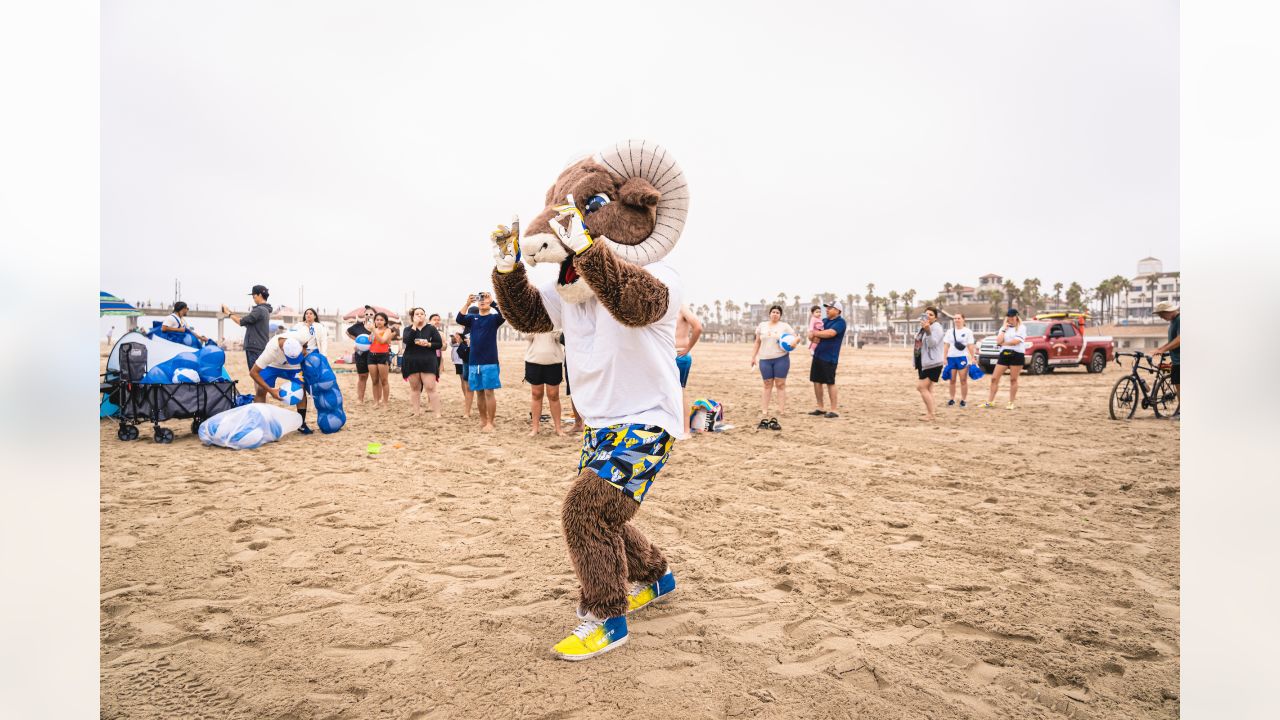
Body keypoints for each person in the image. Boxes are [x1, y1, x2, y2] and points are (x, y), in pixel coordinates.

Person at [455, 292, 505, 431]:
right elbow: (459, 318)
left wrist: (493, 302)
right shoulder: (473, 318)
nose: (482, 301)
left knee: (489, 392)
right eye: (480, 299)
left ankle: (491, 422)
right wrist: (467, 303)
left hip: (489, 361)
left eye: (485, 299)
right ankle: (483, 420)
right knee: (479, 392)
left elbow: (504, 315)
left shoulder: (494, 318)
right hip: (474, 361)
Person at [249, 329, 314, 434]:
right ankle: (259, 424)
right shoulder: (270, 351)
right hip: (273, 365)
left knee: (301, 389)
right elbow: (253, 373)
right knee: (261, 390)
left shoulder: (300, 336)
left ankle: (301, 423)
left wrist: (304, 350)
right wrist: (271, 391)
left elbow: (307, 342)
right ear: (283, 350)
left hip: (294, 367)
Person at [750, 304, 796, 430]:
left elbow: (795, 339)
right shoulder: (762, 326)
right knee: (767, 384)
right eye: (773, 312)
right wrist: (753, 357)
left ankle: (781, 410)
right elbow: (757, 342)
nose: (775, 314)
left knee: (780, 384)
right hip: (765, 359)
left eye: (777, 312)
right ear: (769, 314)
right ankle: (764, 410)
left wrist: (793, 344)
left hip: (781, 358)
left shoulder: (785, 326)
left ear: (780, 315)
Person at [981, 308, 1027, 409]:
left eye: (1012, 316)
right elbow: (998, 341)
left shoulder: (1021, 328)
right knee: (994, 378)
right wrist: (1003, 329)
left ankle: (1011, 402)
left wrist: (1004, 343)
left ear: (1016, 316)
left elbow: (1016, 341)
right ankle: (990, 401)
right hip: (1004, 354)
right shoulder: (1004, 327)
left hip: (1017, 355)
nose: (1010, 318)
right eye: (1008, 316)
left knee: (1013, 379)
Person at [808, 300, 847, 418]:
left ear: (837, 310)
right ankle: (820, 408)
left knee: (830, 382)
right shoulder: (823, 321)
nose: (827, 310)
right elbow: (812, 336)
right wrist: (811, 335)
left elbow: (830, 333)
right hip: (818, 354)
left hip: (830, 357)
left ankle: (834, 410)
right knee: (816, 381)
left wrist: (815, 333)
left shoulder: (841, 322)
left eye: (830, 308)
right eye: (827, 308)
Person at [401, 307, 443, 417]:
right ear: (413, 317)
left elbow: (439, 344)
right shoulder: (408, 329)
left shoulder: (431, 329)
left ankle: (437, 413)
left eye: (422, 314)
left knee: (430, 387)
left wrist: (428, 344)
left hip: (428, 360)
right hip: (411, 361)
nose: (419, 316)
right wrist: (414, 326)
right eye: (417, 314)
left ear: (425, 316)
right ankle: (416, 412)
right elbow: (407, 341)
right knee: (415, 388)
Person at [525, 330, 566, 436]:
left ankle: (558, 428)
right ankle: (535, 428)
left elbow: (560, 337)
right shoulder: (532, 317)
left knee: (554, 395)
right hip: (534, 360)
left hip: (554, 361)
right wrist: (537, 324)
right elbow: (527, 336)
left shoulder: (556, 317)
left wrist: (549, 326)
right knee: (536, 394)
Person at [223, 285, 272, 370]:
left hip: (254, 347)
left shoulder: (259, 310)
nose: (253, 298)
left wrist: (228, 313)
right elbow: (246, 322)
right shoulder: (265, 310)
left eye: (254, 296)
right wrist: (230, 311)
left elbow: (241, 322)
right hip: (260, 346)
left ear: (260, 295)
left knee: (255, 374)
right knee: (259, 374)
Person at [914, 306, 946, 421]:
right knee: (928, 388)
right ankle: (930, 412)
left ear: (936, 318)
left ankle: (931, 415)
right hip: (924, 362)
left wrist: (928, 331)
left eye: (931, 314)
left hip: (933, 363)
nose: (928, 316)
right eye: (926, 314)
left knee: (921, 387)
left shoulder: (936, 328)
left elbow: (932, 344)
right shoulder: (923, 327)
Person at [674, 304, 702, 423]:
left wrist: (688, 348)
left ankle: (685, 429)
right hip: (666, 355)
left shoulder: (681, 308)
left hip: (680, 354)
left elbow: (698, 328)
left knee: (680, 391)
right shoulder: (663, 308)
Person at [943, 313, 978, 407]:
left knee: (963, 380)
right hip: (951, 358)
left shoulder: (968, 331)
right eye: (955, 318)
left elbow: (970, 345)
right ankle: (952, 399)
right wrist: (944, 357)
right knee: (952, 380)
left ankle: (963, 400)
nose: (956, 320)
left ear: (963, 319)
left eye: (958, 318)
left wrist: (973, 357)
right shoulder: (949, 331)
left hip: (962, 357)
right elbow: (946, 345)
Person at [1153, 300, 1180, 419]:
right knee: (1178, 387)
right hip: (1176, 360)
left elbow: (1179, 340)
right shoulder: (1173, 321)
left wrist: (1163, 349)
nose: (1161, 317)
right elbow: (1172, 342)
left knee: (1181, 388)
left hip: (1181, 361)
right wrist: (1162, 348)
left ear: (1168, 312)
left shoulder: (1179, 320)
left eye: (1161, 314)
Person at [346, 306, 375, 403]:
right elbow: (347, 332)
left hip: (374, 354)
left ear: (375, 315)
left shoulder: (378, 326)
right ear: (364, 315)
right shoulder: (358, 326)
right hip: (360, 353)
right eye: (367, 314)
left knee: (375, 378)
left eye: (371, 314)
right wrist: (357, 341)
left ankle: (377, 400)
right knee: (362, 376)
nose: (369, 316)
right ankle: (360, 399)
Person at [368, 312, 394, 408]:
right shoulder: (373, 330)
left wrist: (374, 331)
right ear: (375, 320)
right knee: (374, 381)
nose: (379, 321)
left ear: (385, 321)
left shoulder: (387, 330)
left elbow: (382, 341)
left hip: (383, 355)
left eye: (381, 320)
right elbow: (371, 342)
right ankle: (376, 401)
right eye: (377, 319)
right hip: (371, 355)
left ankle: (385, 402)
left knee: (384, 380)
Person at [449, 325, 474, 418]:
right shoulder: (458, 329)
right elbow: (452, 342)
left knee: (469, 382)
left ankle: (469, 403)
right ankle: (467, 402)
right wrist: (458, 338)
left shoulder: (475, 329)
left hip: (471, 358)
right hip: (459, 359)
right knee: (463, 380)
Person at [429, 313, 445, 381]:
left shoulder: (441, 333)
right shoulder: (425, 331)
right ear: (429, 321)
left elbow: (444, 347)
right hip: (426, 357)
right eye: (434, 319)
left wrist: (440, 345)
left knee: (434, 377)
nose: (436, 321)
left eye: (438, 320)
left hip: (437, 356)